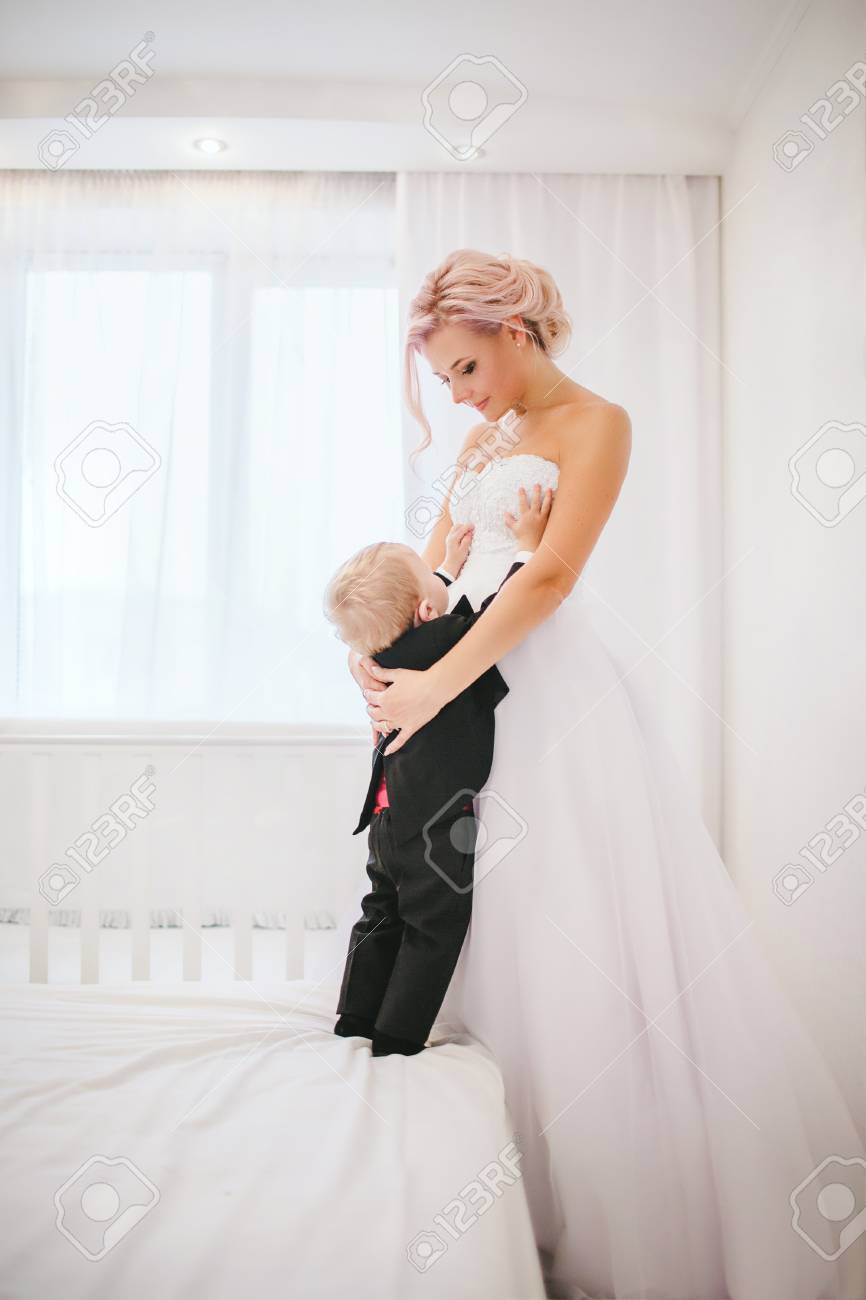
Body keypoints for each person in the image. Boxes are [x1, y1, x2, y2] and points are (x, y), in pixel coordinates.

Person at [344, 249, 866, 1298]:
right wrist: (383, 655)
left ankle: (587, 1193)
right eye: (443, 380)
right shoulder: (483, 440)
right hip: (456, 675)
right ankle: (477, 1166)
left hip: (544, 688)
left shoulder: (598, 423)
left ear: (515, 330)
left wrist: (437, 686)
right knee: (460, 890)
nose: (459, 396)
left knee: (560, 906)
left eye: (465, 368)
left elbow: (549, 577)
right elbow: (440, 567)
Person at [325, 487, 553, 1057]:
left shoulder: (381, 653)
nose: (440, 578)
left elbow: (420, 609)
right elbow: (498, 614)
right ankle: (398, 1037)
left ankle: (355, 1015)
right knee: (434, 923)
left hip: (386, 814)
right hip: (435, 820)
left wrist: (444, 567)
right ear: (429, 610)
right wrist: (527, 548)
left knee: (381, 910)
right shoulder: (447, 641)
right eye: (432, 580)